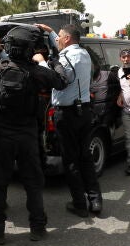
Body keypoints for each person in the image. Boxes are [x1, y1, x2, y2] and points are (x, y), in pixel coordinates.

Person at [0, 25, 66, 244]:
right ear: (30, 49)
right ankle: (37, 227)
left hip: (2, 134)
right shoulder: (38, 72)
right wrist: (53, 58)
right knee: (33, 183)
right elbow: (62, 81)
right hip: (28, 134)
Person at [37, 23, 102, 218]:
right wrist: (50, 32)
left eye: (59, 37)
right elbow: (64, 46)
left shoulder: (64, 58)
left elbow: (57, 80)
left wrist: (41, 62)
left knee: (71, 160)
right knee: (85, 156)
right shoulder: (85, 54)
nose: (57, 40)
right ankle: (95, 200)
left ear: (66, 39)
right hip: (85, 111)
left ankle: (79, 204)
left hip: (67, 114)